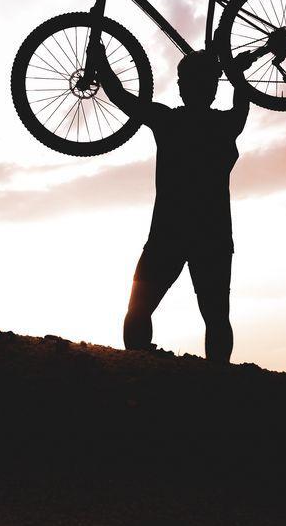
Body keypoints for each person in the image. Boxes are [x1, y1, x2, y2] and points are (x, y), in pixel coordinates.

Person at [90, 39, 253, 363]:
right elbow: (241, 101)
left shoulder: (168, 121)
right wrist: (237, 73)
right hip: (212, 236)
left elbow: (122, 97)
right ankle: (216, 381)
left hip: (170, 233)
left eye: (184, 81)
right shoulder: (225, 125)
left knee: (139, 311)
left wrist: (101, 62)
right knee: (215, 317)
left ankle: (138, 370)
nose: (182, 87)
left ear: (185, 87)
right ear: (212, 88)